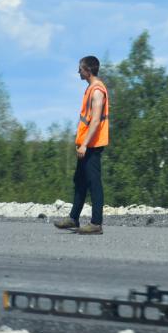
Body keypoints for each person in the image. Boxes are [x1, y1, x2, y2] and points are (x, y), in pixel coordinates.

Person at [53, 56, 109, 235]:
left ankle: (96, 224)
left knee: (94, 184)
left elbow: (95, 120)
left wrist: (84, 144)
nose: (78, 72)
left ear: (88, 70)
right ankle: (73, 218)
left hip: (92, 145)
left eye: (80, 68)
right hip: (87, 144)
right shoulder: (90, 89)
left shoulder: (97, 90)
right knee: (80, 181)